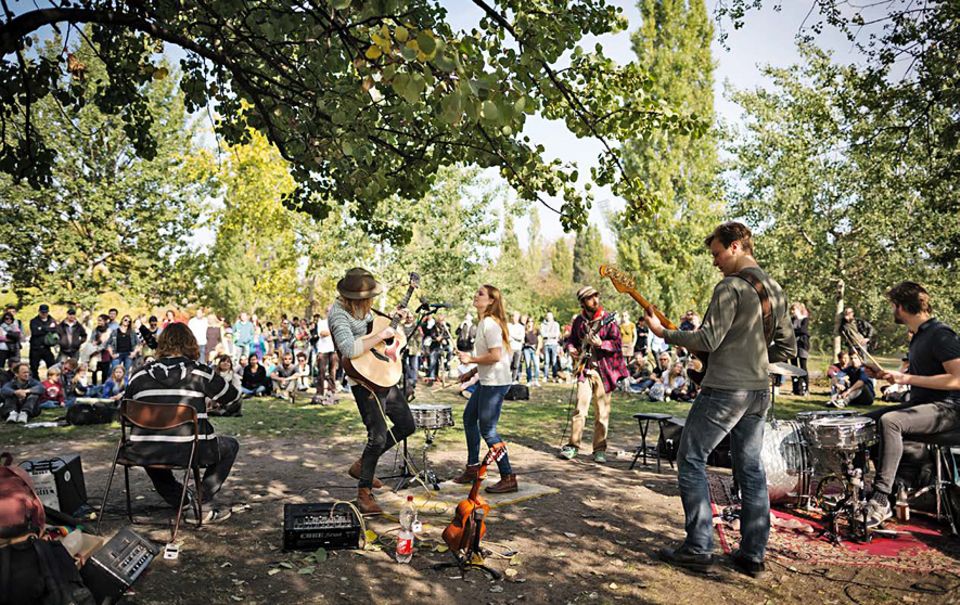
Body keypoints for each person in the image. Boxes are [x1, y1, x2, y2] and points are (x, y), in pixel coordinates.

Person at [643, 221, 795, 577]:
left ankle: (698, 546)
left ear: (737, 246)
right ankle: (752, 554)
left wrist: (662, 332)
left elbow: (708, 339)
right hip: (759, 390)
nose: (714, 262)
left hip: (726, 388)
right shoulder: (775, 288)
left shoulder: (730, 287)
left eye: (717, 253)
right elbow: (787, 346)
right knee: (751, 467)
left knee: (691, 457)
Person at [862, 282, 960, 528]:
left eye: (893, 306)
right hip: (923, 403)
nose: (892, 312)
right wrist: (884, 375)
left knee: (891, 421)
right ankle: (898, 485)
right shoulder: (919, 337)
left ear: (901, 307)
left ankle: (881, 497)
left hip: (948, 409)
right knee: (867, 422)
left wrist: (906, 378)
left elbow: (958, 378)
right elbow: (924, 377)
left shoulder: (940, 334)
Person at [123, 322, 240, 523]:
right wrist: (209, 401)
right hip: (192, 449)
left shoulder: (138, 375)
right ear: (191, 344)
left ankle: (181, 500)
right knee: (230, 446)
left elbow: (125, 416)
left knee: (151, 445)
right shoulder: (200, 372)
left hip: (144, 451)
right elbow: (233, 397)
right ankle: (201, 503)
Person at [328, 267, 415, 515]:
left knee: (407, 425)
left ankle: (362, 464)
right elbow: (349, 348)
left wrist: (399, 324)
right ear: (354, 297)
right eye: (368, 298)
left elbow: (386, 335)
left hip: (383, 374)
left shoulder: (364, 309)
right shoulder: (338, 314)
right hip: (363, 381)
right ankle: (364, 493)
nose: (372, 302)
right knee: (376, 436)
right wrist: (380, 334)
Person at [453, 285, 518, 493]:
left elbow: (496, 356)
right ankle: (473, 468)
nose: (475, 295)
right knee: (469, 418)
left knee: (488, 431)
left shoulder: (490, 323)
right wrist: (471, 373)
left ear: (491, 301)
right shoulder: (483, 322)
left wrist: (470, 358)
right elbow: (490, 357)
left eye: (481, 293)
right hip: (487, 380)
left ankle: (508, 476)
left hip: (496, 382)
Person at [559, 285, 628, 464]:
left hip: (604, 372)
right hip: (584, 369)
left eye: (596, 296)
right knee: (579, 410)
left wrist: (600, 344)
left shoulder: (608, 320)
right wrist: (572, 348)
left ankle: (599, 450)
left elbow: (617, 345)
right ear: (583, 302)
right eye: (590, 298)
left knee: (602, 413)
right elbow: (571, 340)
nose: (595, 300)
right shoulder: (578, 321)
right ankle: (573, 446)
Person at [28, 303, 59, 379]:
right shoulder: (34, 321)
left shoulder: (52, 320)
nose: (44, 314)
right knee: (34, 367)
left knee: (52, 366)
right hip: (35, 347)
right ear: (39, 312)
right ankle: (36, 382)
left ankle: (51, 381)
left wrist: (42, 328)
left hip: (46, 347)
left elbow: (55, 330)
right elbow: (35, 332)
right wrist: (48, 329)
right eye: (42, 312)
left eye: (45, 312)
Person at [314, 309, 339, 401]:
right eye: (328, 311)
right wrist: (333, 331)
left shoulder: (337, 322)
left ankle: (331, 391)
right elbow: (321, 333)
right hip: (323, 350)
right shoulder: (322, 323)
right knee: (321, 371)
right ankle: (319, 392)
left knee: (333, 372)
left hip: (334, 350)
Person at [540, 312, 561, 382]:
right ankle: (545, 376)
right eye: (548, 316)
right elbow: (543, 334)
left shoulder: (556, 324)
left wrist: (548, 335)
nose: (549, 317)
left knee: (554, 361)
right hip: (546, 344)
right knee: (546, 361)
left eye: (550, 316)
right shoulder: (543, 324)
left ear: (552, 317)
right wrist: (551, 335)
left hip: (554, 344)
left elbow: (557, 334)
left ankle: (554, 376)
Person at [521, 317, 541, 387]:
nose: (530, 323)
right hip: (526, 349)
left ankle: (536, 380)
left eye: (532, 321)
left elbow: (540, 340)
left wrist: (538, 349)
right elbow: (522, 340)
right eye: (529, 321)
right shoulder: (524, 330)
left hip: (534, 348)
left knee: (536, 365)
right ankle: (529, 380)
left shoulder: (536, 330)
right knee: (528, 365)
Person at [507, 312, 525, 382]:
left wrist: (512, 336)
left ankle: (513, 379)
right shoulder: (508, 325)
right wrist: (513, 337)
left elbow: (521, 337)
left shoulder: (521, 327)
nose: (515, 319)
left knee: (516, 365)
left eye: (517, 317)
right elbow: (507, 336)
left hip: (518, 348)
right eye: (514, 317)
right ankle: (507, 379)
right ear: (512, 317)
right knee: (508, 364)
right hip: (510, 348)